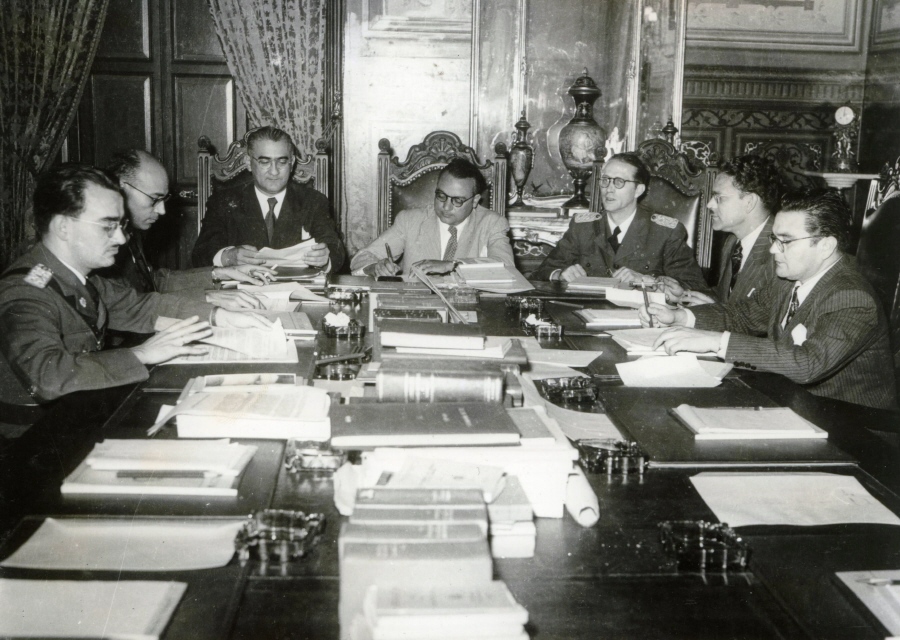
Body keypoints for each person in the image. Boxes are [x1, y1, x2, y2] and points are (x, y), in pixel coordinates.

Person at [0, 164, 271, 405]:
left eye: (121, 225)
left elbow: (140, 307)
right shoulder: (25, 291)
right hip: (36, 433)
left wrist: (219, 316)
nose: (120, 238)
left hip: (80, 407)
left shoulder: (81, 277)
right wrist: (140, 353)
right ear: (63, 227)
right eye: (108, 226)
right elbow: (47, 376)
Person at [644, 189, 896, 410]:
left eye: (785, 241)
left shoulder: (851, 297)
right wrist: (681, 317)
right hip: (791, 403)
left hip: (849, 426)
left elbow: (808, 363)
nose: (773, 249)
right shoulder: (789, 279)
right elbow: (744, 316)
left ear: (826, 246)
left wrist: (716, 341)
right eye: (774, 239)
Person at [101, 149, 273, 311]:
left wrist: (220, 273)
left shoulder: (130, 229)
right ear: (121, 187)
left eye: (163, 200)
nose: (162, 211)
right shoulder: (102, 241)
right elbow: (128, 306)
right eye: (154, 199)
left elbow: (152, 283)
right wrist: (208, 298)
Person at [530, 152, 710, 294]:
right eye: (605, 180)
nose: (608, 189)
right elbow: (540, 273)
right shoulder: (582, 227)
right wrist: (560, 274)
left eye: (619, 182)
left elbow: (695, 287)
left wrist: (650, 282)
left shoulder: (665, 232)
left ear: (638, 190)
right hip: (584, 313)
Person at [191, 126, 346, 272]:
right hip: (241, 287)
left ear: (292, 163)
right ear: (248, 163)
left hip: (296, 286)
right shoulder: (223, 202)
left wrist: (325, 259)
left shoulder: (313, 201)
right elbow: (200, 253)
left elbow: (335, 249)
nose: (274, 171)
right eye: (265, 162)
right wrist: (227, 257)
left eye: (282, 161)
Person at [349, 158, 514, 276]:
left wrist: (453, 265)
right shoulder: (410, 221)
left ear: (475, 200)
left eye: (457, 200)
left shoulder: (492, 223)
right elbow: (361, 258)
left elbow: (507, 267)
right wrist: (375, 267)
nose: (446, 207)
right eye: (441, 196)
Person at [657, 154, 781, 309]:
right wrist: (683, 295)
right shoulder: (732, 242)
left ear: (749, 202)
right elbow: (725, 298)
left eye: (719, 198)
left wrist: (717, 310)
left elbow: (767, 319)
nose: (709, 205)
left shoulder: (780, 250)